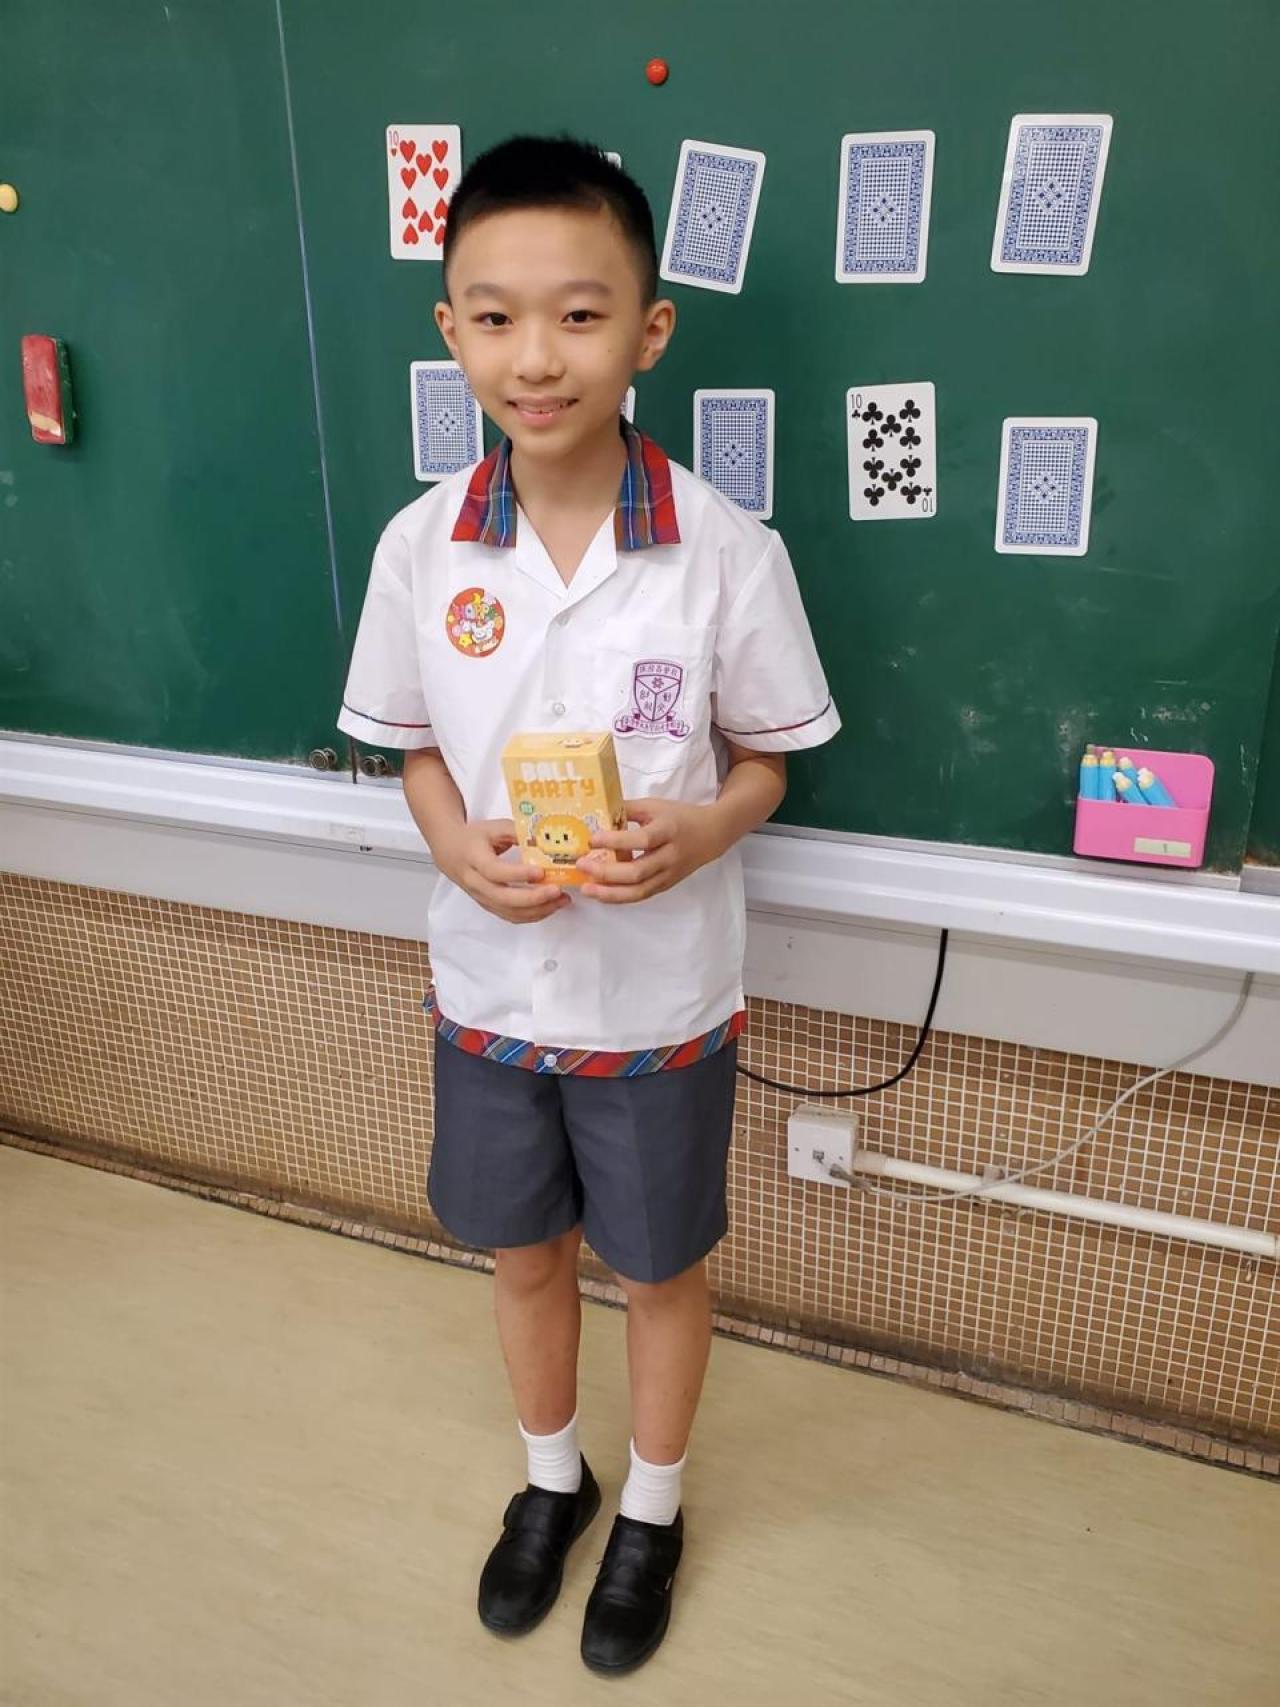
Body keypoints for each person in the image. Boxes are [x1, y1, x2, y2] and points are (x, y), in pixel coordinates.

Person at [336, 134, 840, 1677]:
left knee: (661, 1265)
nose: (536, 358)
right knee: (522, 1252)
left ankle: (655, 1510)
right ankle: (552, 1481)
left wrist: (702, 830)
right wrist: (454, 851)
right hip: (491, 985)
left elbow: (767, 760)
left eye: (578, 314)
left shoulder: (725, 551)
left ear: (648, 330)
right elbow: (418, 749)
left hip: (659, 993)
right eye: (495, 318)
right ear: (451, 331)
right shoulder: (422, 545)